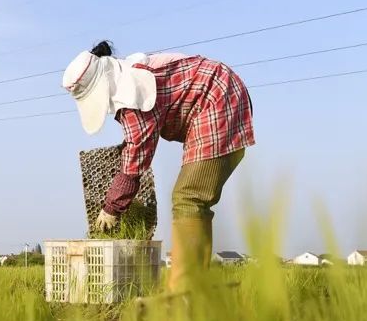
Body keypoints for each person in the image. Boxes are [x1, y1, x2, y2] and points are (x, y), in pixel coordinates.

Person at [62, 41, 255, 291]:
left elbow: (135, 161)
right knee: (191, 198)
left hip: (218, 98)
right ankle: (194, 283)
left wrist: (111, 208)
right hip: (218, 93)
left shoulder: (131, 92)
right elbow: (139, 142)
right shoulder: (126, 73)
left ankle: (186, 289)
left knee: (189, 197)